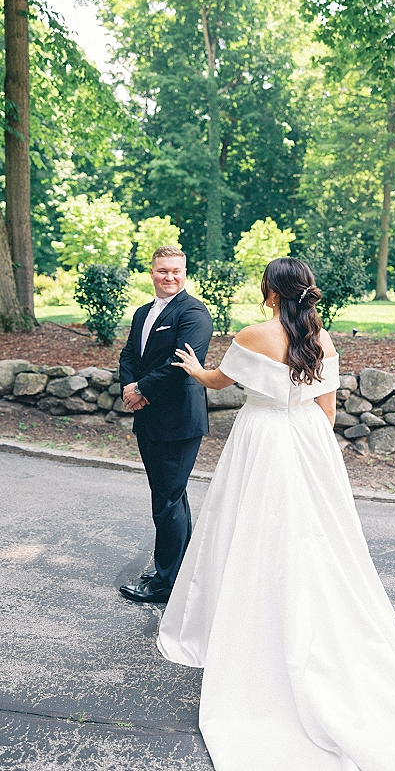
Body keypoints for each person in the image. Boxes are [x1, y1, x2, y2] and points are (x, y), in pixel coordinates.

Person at [156, 256, 395, 771]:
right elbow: (326, 412)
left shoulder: (253, 335)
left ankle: (243, 626)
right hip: (308, 442)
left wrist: (196, 369)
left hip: (262, 440)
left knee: (247, 529)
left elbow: (219, 381)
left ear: (271, 292)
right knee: (314, 537)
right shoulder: (323, 341)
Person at [118, 246, 213, 604]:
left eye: (176, 270)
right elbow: (129, 354)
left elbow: (182, 364)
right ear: (152, 272)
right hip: (148, 417)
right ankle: (179, 571)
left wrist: (140, 389)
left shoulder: (194, 312)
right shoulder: (143, 313)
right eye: (162, 270)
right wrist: (130, 388)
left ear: (185, 272)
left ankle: (165, 582)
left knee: (167, 500)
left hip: (178, 420)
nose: (169, 277)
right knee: (170, 497)